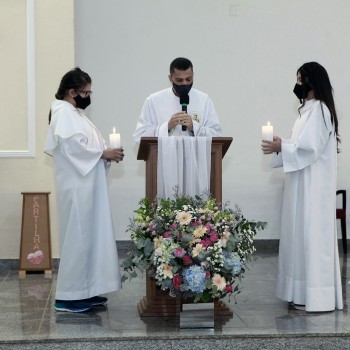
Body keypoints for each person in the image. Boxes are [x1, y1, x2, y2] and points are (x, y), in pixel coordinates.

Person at [261, 62, 343, 312]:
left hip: (313, 189)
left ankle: (317, 297)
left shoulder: (319, 110)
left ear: (312, 82)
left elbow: (310, 150)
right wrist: (283, 143)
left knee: (311, 239)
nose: (297, 85)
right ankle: (300, 293)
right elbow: (300, 145)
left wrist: (281, 148)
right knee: (299, 239)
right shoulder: (308, 110)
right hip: (302, 185)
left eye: (300, 79)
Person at [44, 67, 124, 312]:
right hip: (77, 189)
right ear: (72, 92)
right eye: (85, 92)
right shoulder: (63, 114)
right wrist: (103, 153)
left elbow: (86, 146)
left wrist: (105, 155)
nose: (88, 97)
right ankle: (68, 296)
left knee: (88, 238)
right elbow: (73, 150)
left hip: (87, 186)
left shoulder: (75, 114)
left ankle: (85, 290)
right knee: (78, 239)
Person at [133, 57, 222, 143]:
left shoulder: (204, 100)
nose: (184, 83)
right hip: (166, 157)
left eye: (188, 79)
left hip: (195, 157)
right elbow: (139, 136)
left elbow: (217, 135)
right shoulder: (153, 100)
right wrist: (167, 126)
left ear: (193, 76)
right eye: (179, 80)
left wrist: (194, 127)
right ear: (170, 78)